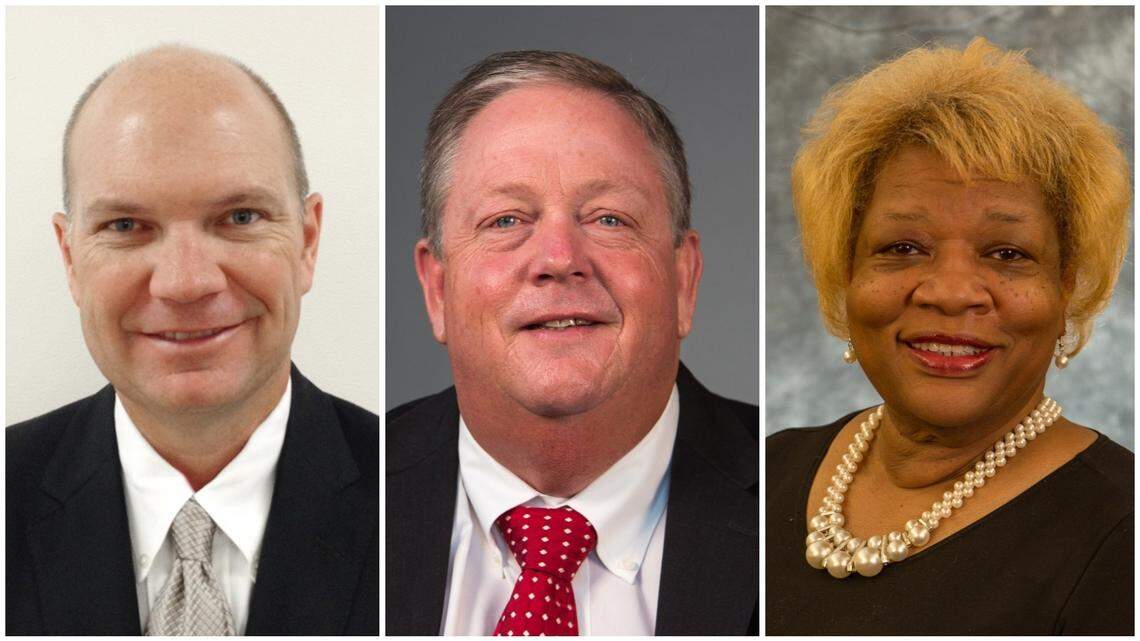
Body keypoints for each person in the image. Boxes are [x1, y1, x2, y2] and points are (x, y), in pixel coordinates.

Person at [6, 45, 378, 635]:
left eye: (240, 218)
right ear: (70, 256)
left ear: (308, 242)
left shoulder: (414, 499)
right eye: (125, 226)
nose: (185, 282)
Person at [766, 37, 1132, 635]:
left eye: (1008, 253)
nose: (952, 291)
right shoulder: (765, 471)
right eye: (903, 247)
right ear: (847, 270)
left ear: (1066, 286)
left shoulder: (1124, 533)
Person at [386, 50, 758, 636]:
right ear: (437, 288)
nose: (559, 259)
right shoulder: (337, 499)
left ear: (684, 279)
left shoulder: (796, 501)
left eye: (609, 218)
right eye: (507, 220)